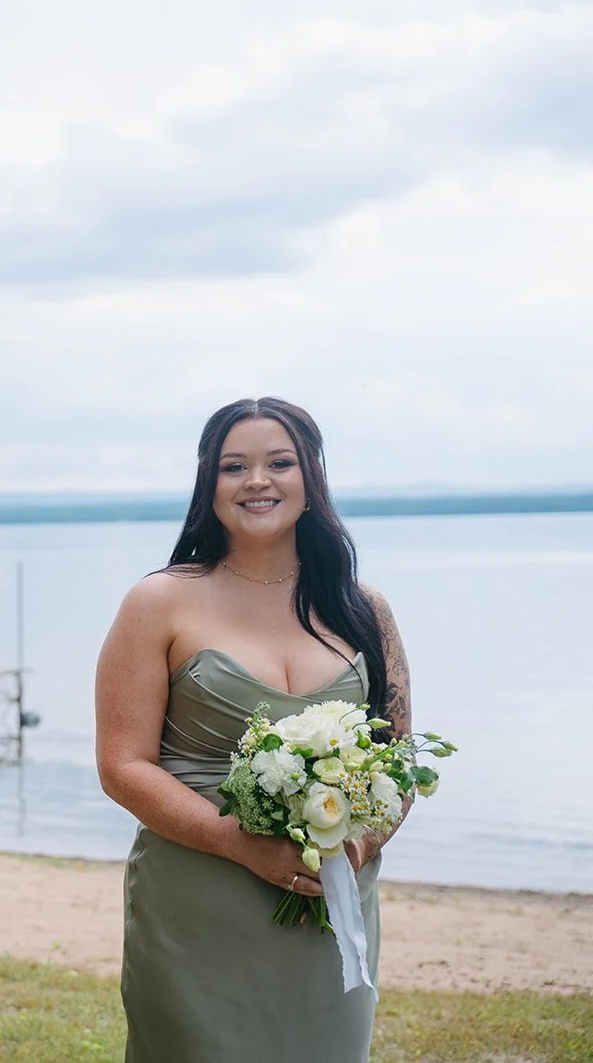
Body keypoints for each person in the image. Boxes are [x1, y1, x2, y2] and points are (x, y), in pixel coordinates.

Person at [94, 397, 413, 1062]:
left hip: (330, 907)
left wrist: (356, 843)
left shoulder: (364, 609)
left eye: (279, 462)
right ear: (209, 483)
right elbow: (122, 762)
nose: (257, 480)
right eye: (234, 465)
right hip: (196, 907)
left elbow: (400, 758)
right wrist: (234, 840)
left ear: (311, 476)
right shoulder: (158, 601)